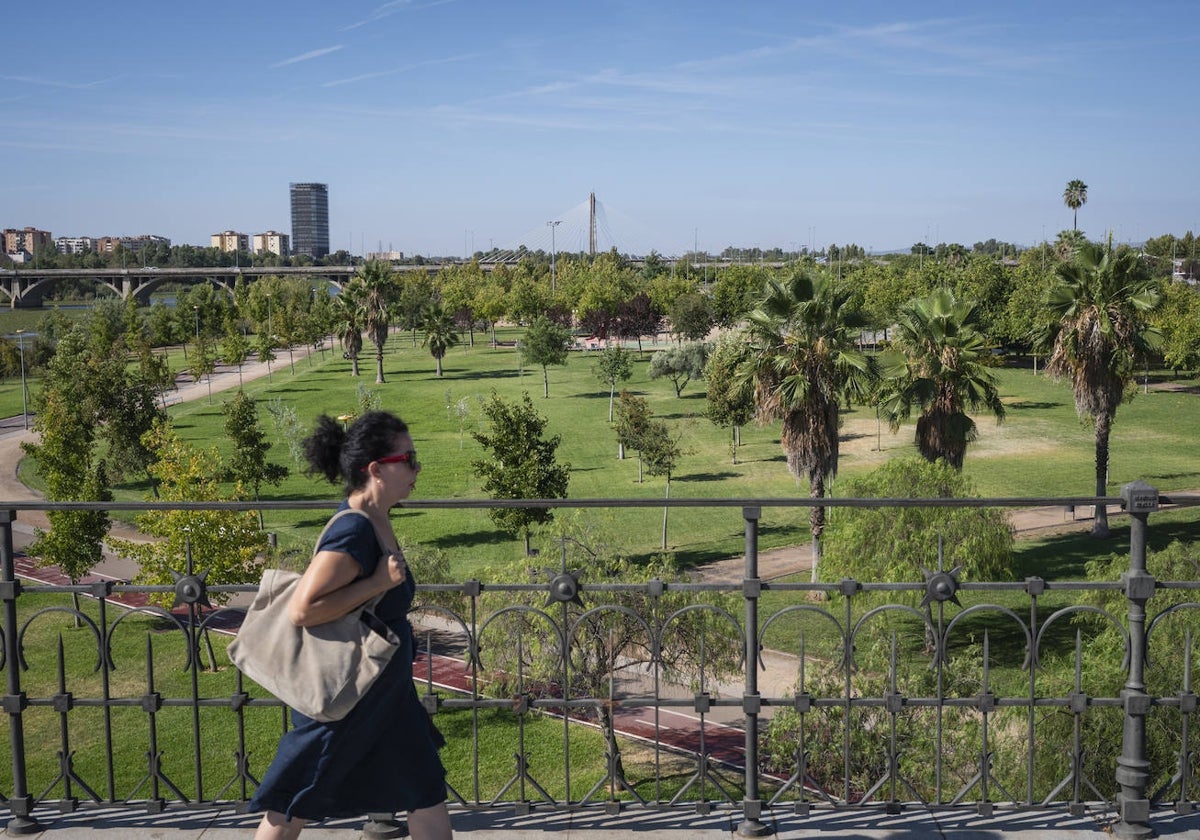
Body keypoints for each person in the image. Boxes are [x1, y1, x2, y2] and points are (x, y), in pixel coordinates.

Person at [250, 411, 452, 840]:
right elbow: (303, 609)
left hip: (386, 694)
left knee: (425, 791)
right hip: (347, 697)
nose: (417, 469)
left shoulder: (376, 517)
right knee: (292, 803)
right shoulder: (355, 532)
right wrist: (379, 582)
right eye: (409, 458)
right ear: (376, 469)